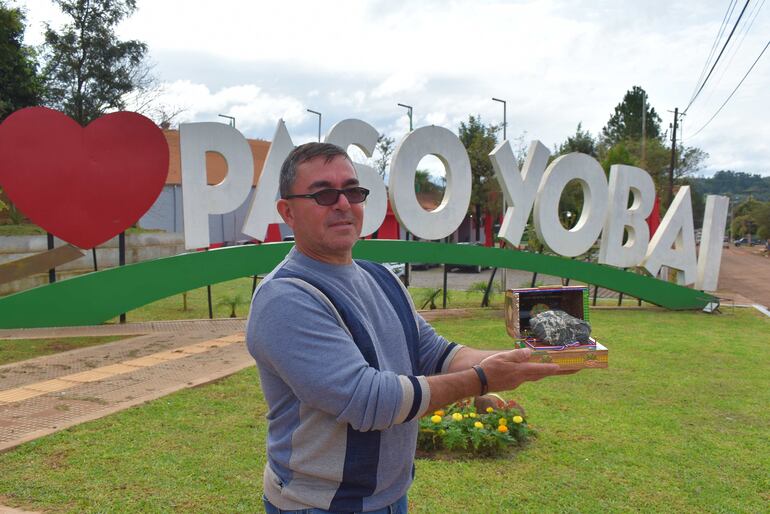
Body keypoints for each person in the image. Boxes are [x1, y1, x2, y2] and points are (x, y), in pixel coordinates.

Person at [246, 142, 575, 513]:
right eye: (323, 193)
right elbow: (368, 401)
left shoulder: (380, 277)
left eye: (352, 191)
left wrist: (524, 358)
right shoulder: (285, 297)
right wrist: (483, 379)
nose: (342, 203)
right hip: (319, 505)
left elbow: (434, 353)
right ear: (287, 212)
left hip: (390, 497)